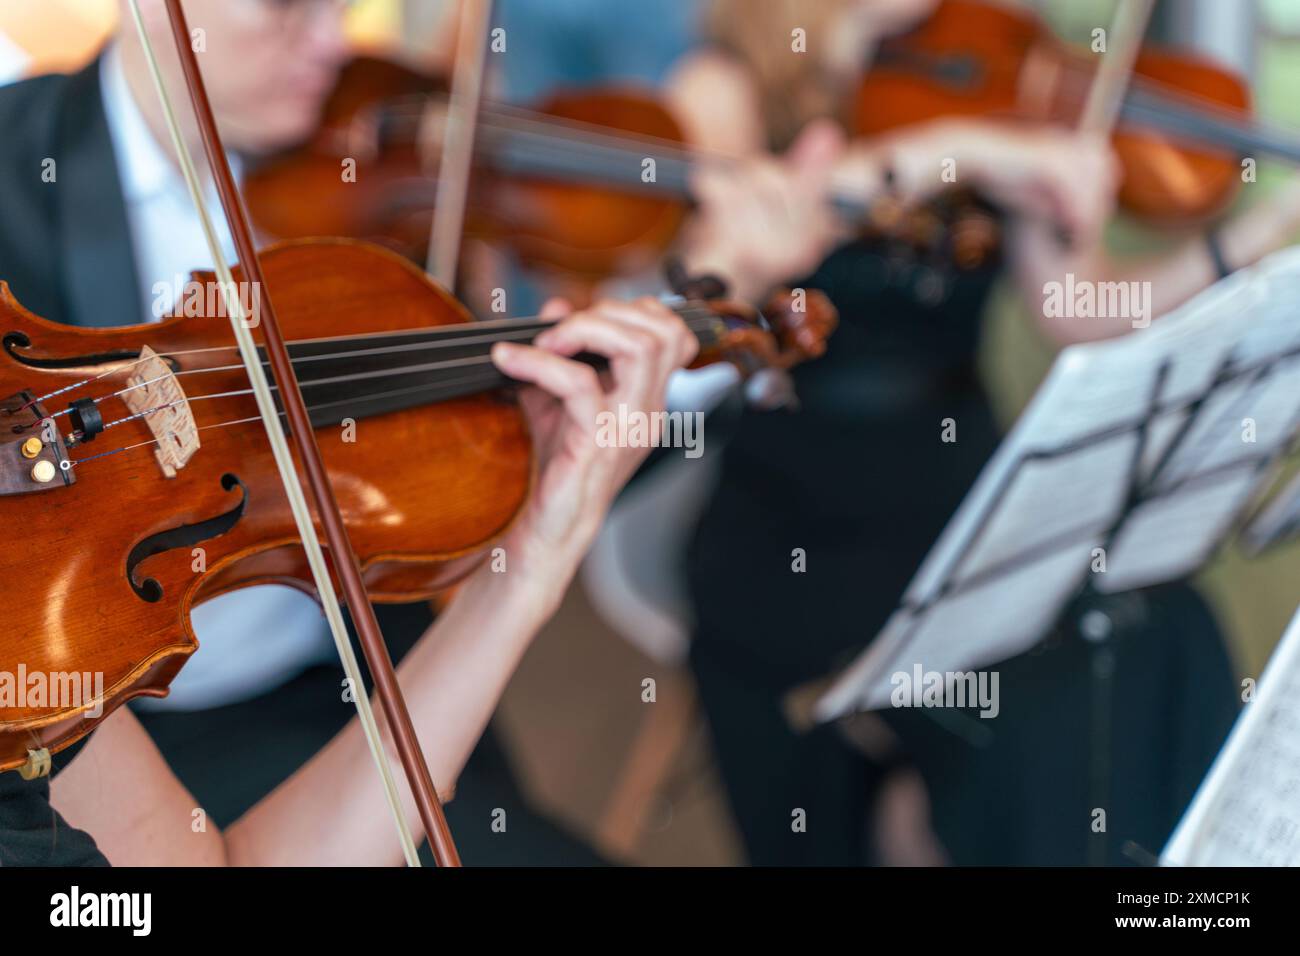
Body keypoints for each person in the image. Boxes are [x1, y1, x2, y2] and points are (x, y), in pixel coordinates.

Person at [0, 0, 692, 865]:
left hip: (365, 665)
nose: (336, 42)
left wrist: (676, 362)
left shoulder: (369, 167)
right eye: (290, 7)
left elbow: (503, 417)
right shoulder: (15, 165)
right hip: (157, 726)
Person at [666, 0, 1300, 865]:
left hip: (968, 488)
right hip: (804, 517)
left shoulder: (991, 54)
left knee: (1164, 631)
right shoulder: (724, 88)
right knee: (1043, 713)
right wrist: (969, 149)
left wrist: (1248, 245)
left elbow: (1080, 310)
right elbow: (729, 252)